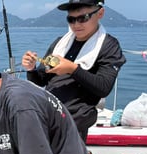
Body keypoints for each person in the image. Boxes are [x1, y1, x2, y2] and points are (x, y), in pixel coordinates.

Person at [22, 0, 126, 142]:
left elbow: (104, 87)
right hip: (47, 115)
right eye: (71, 19)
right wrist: (31, 68)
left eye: (83, 18)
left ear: (100, 13)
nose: (76, 24)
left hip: (75, 122)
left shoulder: (109, 46)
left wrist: (72, 69)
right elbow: (40, 80)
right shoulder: (60, 43)